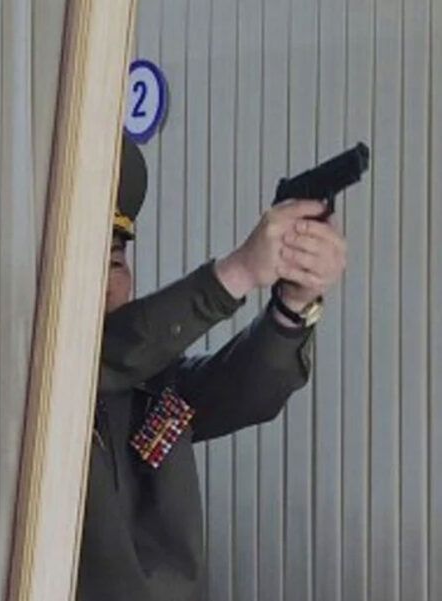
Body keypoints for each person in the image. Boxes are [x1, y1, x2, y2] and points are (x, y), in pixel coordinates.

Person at [77, 137, 347, 600]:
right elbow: (97, 359)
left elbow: (245, 390)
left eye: (116, 262)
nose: (105, 285)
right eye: (83, 262)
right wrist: (239, 271)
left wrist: (293, 303)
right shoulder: (12, 372)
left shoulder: (151, 382)